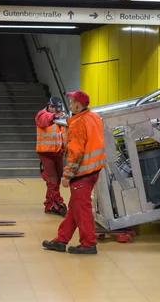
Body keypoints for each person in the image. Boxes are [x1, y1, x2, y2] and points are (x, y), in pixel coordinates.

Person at [42, 90, 105, 254]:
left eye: (71, 102)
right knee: (75, 207)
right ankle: (61, 240)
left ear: (78, 105)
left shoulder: (78, 124)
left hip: (82, 174)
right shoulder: (95, 117)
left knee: (82, 209)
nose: (70, 105)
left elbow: (76, 154)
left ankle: (88, 244)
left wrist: (67, 175)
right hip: (94, 170)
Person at [35, 96, 68, 216]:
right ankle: (59, 204)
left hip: (58, 152)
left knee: (56, 180)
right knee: (53, 180)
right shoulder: (42, 115)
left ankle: (49, 204)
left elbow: (62, 135)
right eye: (56, 110)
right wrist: (55, 117)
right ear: (50, 106)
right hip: (46, 153)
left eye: (60, 111)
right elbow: (43, 120)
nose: (59, 112)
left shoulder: (60, 116)